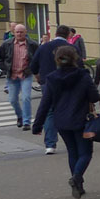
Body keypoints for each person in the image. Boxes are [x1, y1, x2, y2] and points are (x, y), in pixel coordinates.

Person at [31, 44, 100, 198]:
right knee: (85, 153)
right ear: (74, 58)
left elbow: (45, 103)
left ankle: (78, 186)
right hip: (81, 119)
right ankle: (76, 177)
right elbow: (94, 97)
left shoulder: (51, 79)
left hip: (61, 121)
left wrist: (37, 125)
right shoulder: (83, 75)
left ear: (56, 60)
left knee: (72, 152)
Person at [32, 26, 75, 155]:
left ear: (55, 34)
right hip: (68, 83)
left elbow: (33, 65)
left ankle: (50, 144)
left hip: (48, 83)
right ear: (68, 35)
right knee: (69, 109)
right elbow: (80, 66)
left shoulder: (44, 47)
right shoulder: (70, 48)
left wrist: (38, 76)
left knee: (49, 112)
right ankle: (72, 141)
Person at [0, 23, 36, 129]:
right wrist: (5, 69)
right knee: (13, 100)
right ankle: (20, 116)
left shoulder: (32, 44)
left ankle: (27, 122)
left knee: (26, 97)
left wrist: (33, 69)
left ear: (25, 33)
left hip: (25, 75)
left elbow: (37, 58)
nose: (19, 34)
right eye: (17, 32)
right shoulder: (6, 44)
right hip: (12, 76)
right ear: (14, 33)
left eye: (21, 32)